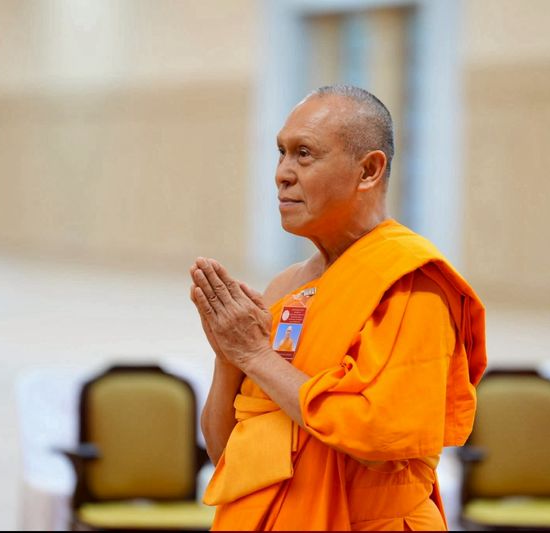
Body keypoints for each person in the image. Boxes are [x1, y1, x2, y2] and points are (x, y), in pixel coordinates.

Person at [189, 85, 487, 531]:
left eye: (304, 154)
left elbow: (376, 429)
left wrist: (255, 356)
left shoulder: (410, 283)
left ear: (368, 169)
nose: (282, 174)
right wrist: (227, 354)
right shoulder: (284, 288)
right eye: (281, 153)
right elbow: (228, 454)